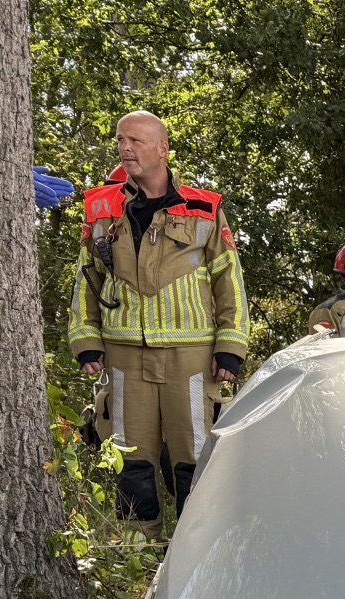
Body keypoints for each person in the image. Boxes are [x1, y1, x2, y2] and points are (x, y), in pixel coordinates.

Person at [68, 110, 251, 530]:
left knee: (196, 464)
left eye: (135, 140)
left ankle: (198, 553)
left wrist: (230, 347)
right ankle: (138, 553)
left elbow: (229, 282)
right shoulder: (101, 209)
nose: (125, 147)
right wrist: (86, 342)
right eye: (120, 140)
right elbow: (86, 279)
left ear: (163, 148)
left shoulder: (204, 209)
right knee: (131, 466)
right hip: (124, 358)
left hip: (192, 359)